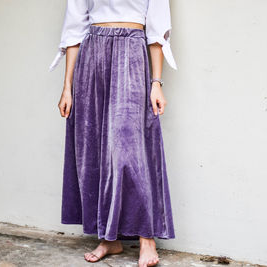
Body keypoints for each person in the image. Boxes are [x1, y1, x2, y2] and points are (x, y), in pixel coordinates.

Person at [49, 0, 177, 266]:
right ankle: (110, 238)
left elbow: (157, 29)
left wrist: (156, 83)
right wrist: (67, 86)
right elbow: (74, 28)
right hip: (92, 55)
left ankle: (147, 239)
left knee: (129, 150)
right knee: (95, 149)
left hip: (131, 52)